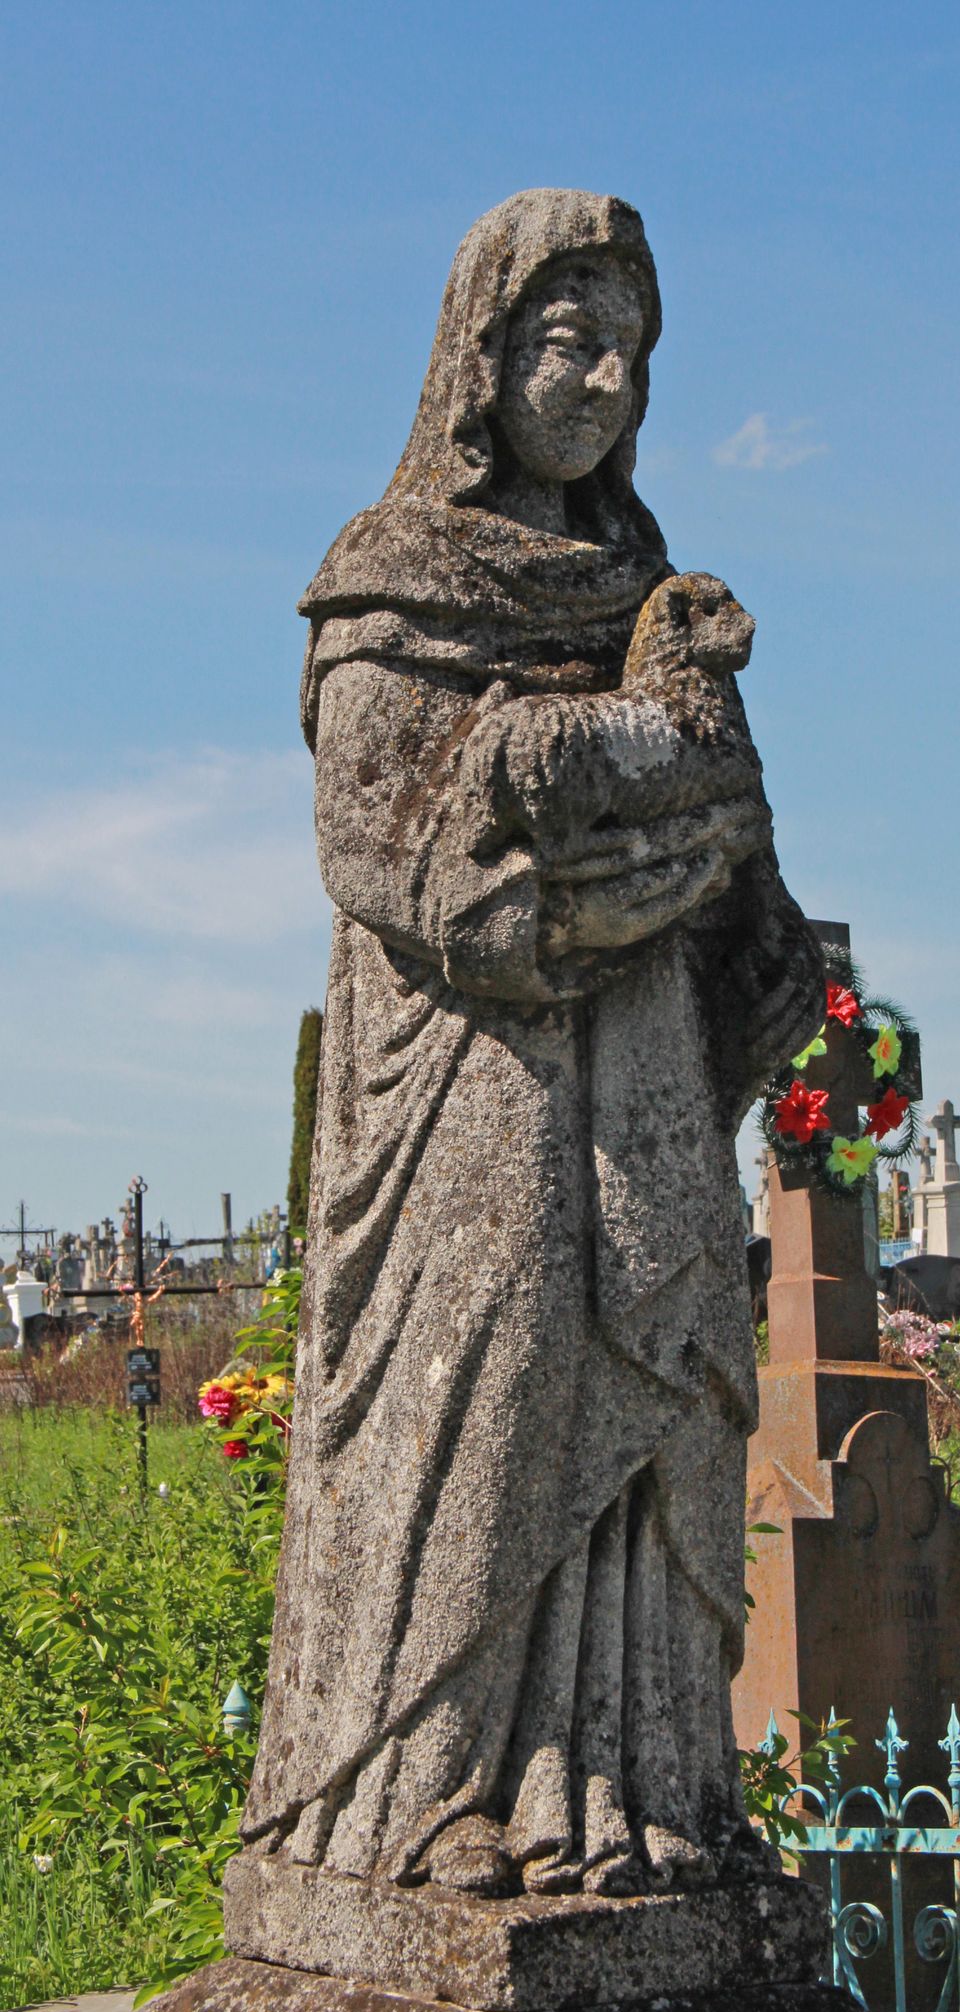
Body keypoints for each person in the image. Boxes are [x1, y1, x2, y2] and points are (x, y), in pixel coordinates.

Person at [241, 189, 822, 1900]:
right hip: (471, 1089)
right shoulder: (394, 574)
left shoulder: (644, 587)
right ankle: (419, 1797)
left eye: (629, 347)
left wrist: (716, 882)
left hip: (636, 1074)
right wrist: (587, 796)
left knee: (659, 1385)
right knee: (487, 1402)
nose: (603, 377)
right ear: (478, 363)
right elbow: (383, 843)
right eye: (566, 340)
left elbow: (730, 836)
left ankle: (635, 1794)